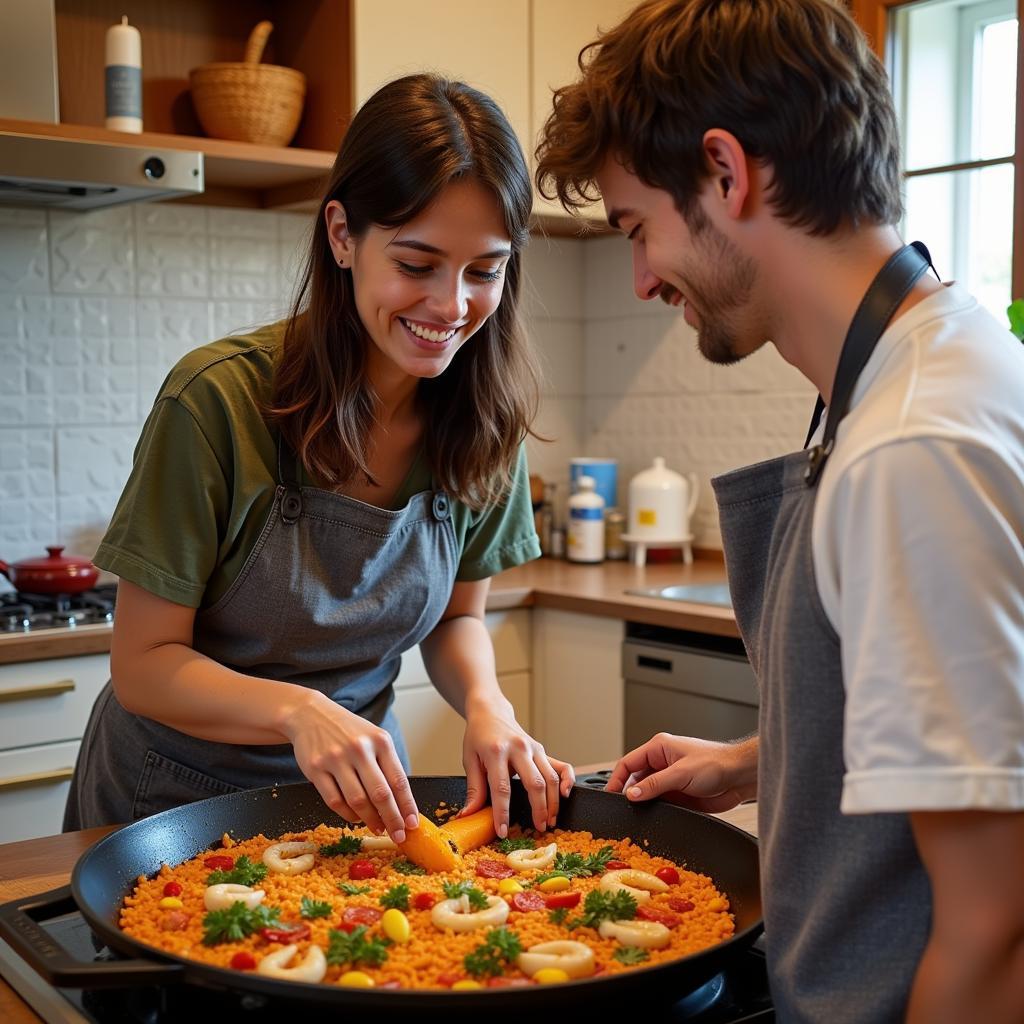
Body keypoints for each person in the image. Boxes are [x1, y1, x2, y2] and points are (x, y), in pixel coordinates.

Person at [535, 1, 1024, 1021]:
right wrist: (764, 760)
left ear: (725, 172)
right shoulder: (925, 359)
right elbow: (972, 739)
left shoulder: (910, 447)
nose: (637, 280)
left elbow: (994, 928)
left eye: (638, 229)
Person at [65, 73, 574, 844]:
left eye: (485, 270)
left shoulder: (484, 415)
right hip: (170, 808)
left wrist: (486, 706)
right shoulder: (217, 401)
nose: (451, 305)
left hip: (366, 807)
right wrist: (297, 710)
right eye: (416, 264)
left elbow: (459, 617)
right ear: (342, 235)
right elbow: (143, 663)